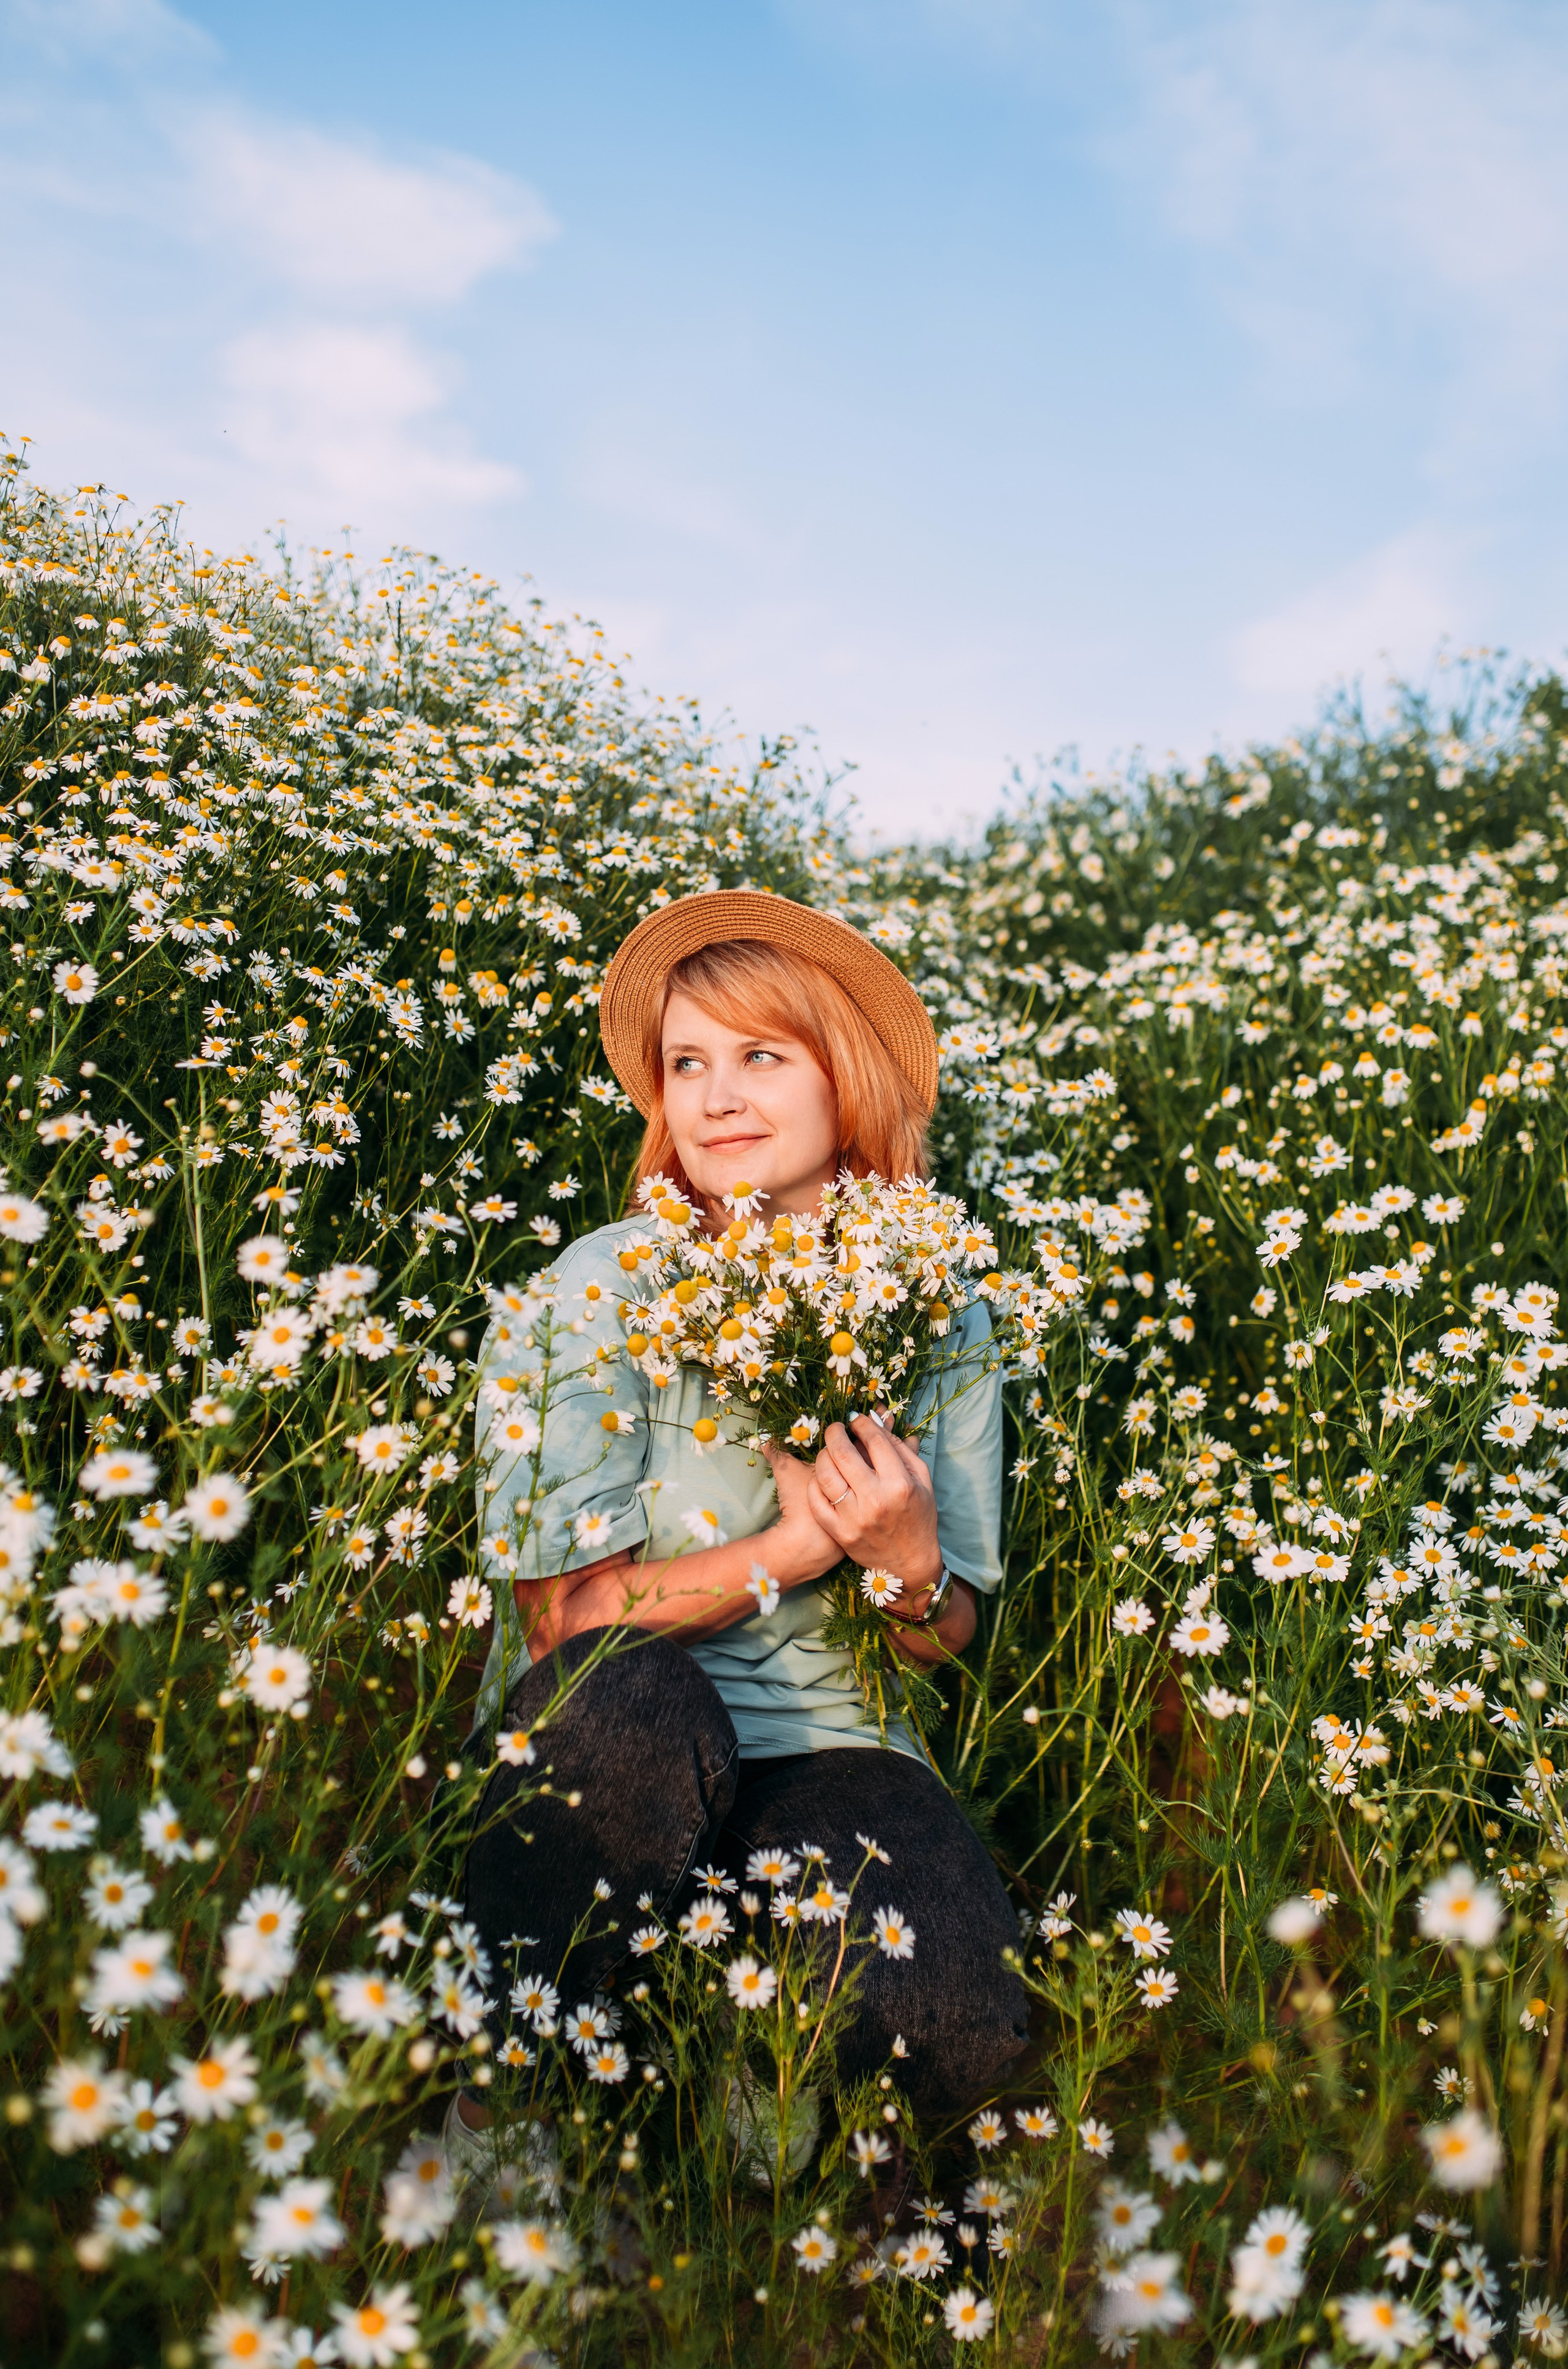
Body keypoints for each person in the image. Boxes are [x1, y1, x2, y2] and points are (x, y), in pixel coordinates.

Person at [448, 890, 1028, 2180]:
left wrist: (908, 1562)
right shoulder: (590, 1288)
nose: (715, 1096)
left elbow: (944, 1641)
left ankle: (737, 2027)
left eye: (760, 1055)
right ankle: (501, 2117)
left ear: (846, 1075)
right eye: (686, 1063)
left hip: (832, 1751)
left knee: (965, 2025)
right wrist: (804, 1545)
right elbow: (566, 1626)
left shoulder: (938, 1304)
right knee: (636, 1702)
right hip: (615, 1738)